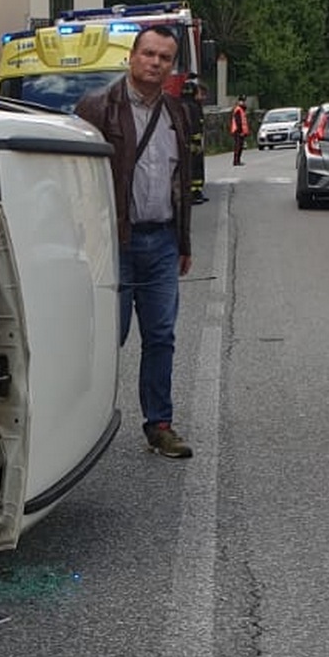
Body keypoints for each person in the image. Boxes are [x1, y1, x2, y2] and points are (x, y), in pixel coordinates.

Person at [74, 25, 194, 459]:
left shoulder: (176, 113)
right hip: (114, 243)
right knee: (111, 336)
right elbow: (80, 182)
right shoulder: (96, 108)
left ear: (172, 64)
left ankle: (159, 425)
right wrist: (87, 242)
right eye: (148, 54)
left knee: (161, 335)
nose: (155, 63)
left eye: (164, 57)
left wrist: (183, 242)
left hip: (161, 240)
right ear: (132, 56)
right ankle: (84, 427)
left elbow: (182, 183)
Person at [181, 74, 208, 204]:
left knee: (195, 170)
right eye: (201, 94)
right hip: (192, 144)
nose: (203, 97)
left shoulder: (187, 105)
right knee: (194, 170)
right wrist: (196, 142)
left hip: (192, 144)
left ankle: (196, 192)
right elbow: (195, 126)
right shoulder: (191, 106)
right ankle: (194, 194)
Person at [230, 96, 250, 166]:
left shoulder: (242, 109)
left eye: (244, 101)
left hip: (241, 131)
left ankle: (238, 160)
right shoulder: (238, 109)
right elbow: (238, 121)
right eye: (241, 101)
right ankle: (236, 161)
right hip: (237, 131)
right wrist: (240, 131)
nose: (243, 102)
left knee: (240, 147)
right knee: (238, 146)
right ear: (238, 101)